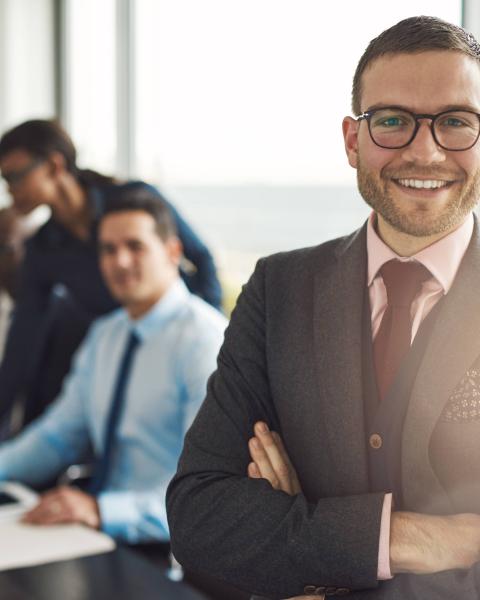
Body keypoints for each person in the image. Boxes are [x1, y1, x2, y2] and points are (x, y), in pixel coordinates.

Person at [167, 15, 480, 599]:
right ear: (352, 140)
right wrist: (435, 541)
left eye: (456, 122)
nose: (425, 151)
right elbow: (200, 515)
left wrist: (306, 549)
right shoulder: (278, 288)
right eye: (392, 121)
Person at [0, 189, 226, 542]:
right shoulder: (107, 334)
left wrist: (101, 511)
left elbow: (211, 496)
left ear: (172, 252)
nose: (119, 261)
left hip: (168, 551)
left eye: (135, 246)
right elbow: (57, 437)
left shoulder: (206, 344)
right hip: (99, 533)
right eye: (108, 249)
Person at [0, 119, 222, 432]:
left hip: (176, 342)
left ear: (54, 166)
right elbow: (24, 335)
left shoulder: (134, 201)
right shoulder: (43, 248)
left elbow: (201, 258)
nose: (10, 189)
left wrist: (208, 331)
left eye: (15, 176)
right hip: (118, 353)